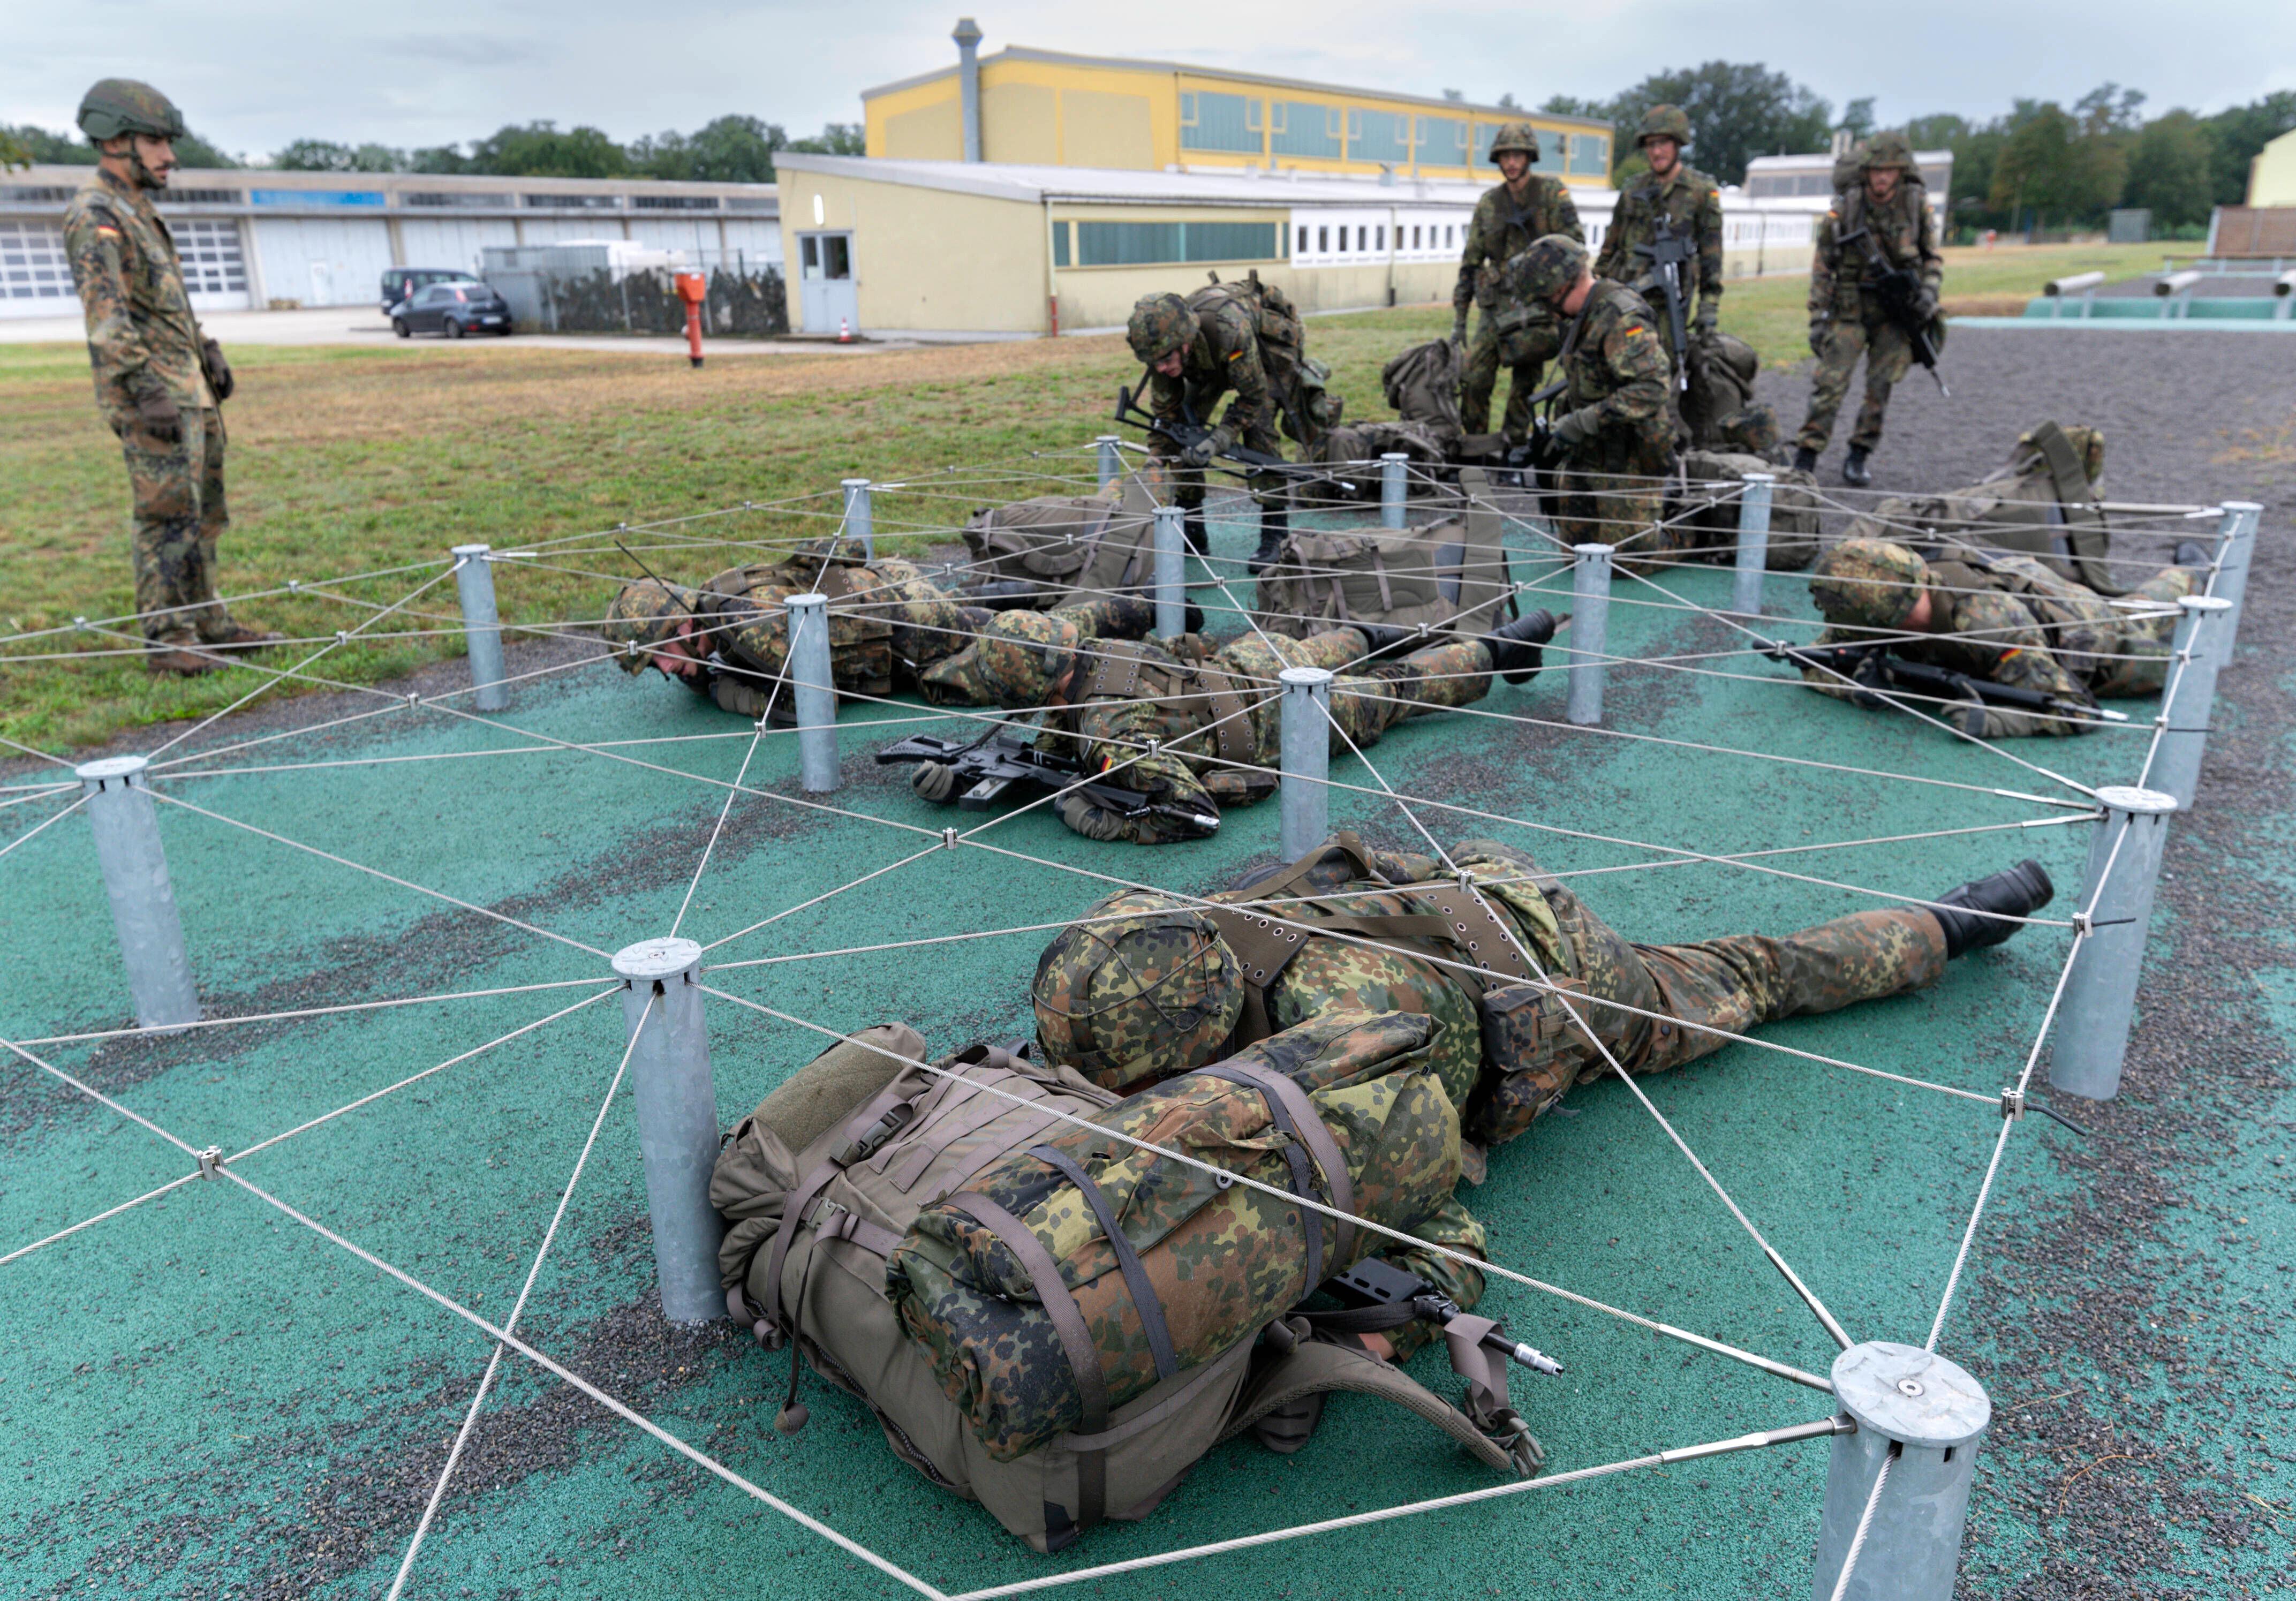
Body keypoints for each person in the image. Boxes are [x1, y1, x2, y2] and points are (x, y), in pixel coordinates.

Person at [1031, 830, 2055, 1160]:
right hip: (1460, 884)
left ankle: (1948, 926)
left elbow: (1426, 1178)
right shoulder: (1186, 942)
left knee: (1747, 976)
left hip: (1559, 972)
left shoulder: (1338, 1045)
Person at [912, 611, 1558, 843]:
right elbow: (1059, 741)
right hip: (1249, 659)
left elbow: (1190, 814)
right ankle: (1392, 630)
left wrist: (1094, 819)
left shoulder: (1109, 726)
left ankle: (1500, 650)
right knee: (1339, 645)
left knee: (1395, 691)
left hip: (1276, 721)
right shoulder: (1102, 653)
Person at [62, 79, 280, 676]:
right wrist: (146, 390)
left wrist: (206, 347)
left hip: (188, 388)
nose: (170, 156)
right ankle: (170, 641)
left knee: (203, 513)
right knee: (165, 518)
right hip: (154, 397)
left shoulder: (139, 209)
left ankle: (210, 622)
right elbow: (107, 318)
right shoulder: (97, 214)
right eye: (156, 141)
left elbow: (161, 303)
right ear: (115, 138)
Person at [601, 549, 1166, 717]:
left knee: (1009, 654)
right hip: (886, 594)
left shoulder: (749, 626)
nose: (667, 670)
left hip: (908, 625)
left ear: (681, 624)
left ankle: (1138, 612)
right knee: (989, 622)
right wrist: (705, 674)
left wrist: (727, 691)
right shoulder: (714, 612)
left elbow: (807, 704)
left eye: (664, 654)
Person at [1798, 537, 2204, 737]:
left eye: (1916, 598)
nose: (1917, 607)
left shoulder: (1987, 622)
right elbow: (1814, 662)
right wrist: (1856, 687)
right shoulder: (1870, 605)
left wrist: (1994, 721)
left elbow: (2077, 710)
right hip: (2017, 587)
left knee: (2156, 632)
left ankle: (2191, 575)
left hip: (2082, 631)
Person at [1506, 234, 1678, 567]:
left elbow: (1653, 387)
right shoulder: (1583, 316)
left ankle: (1691, 529)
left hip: (1629, 457)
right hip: (1589, 452)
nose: (1550, 312)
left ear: (1564, 287)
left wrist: (1582, 421)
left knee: (1626, 562)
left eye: (1547, 302)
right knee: (1577, 557)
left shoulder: (1620, 317)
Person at [1793, 133, 1943, 487]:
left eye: (1889, 170)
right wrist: (1817, 316)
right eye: (1876, 169)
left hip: (1895, 314)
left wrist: (1928, 293)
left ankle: (1859, 453)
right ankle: (1806, 455)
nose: (1882, 177)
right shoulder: (1848, 207)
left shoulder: (1915, 205)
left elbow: (1932, 258)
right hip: (1850, 309)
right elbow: (1823, 266)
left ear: (1900, 172)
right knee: (1830, 383)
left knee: (1880, 387)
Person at [1125, 289, 1293, 574]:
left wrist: (1219, 439)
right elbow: (1166, 416)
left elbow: (1253, 397)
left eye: (1166, 360)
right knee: (1182, 433)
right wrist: (1155, 459)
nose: (1161, 368)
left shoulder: (1232, 331)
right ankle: (1193, 531)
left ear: (1185, 342)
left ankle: (1276, 533)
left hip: (1261, 359)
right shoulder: (1161, 350)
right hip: (1207, 365)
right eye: (1155, 363)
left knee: (1261, 433)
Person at [1453, 123, 1584, 444]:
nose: (1511, 163)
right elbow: (1470, 262)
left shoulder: (1552, 193)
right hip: (1497, 308)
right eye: (1505, 156)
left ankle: (1514, 444)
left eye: (1518, 155)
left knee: (1526, 383)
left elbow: (1575, 247)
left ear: (1529, 157)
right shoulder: (1489, 203)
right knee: (1474, 377)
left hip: (1539, 306)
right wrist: (1459, 320)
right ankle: (1477, 446)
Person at [1593, 105, 1724, 353]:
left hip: (1670, 301)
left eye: (1663, 143)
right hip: (1627, 294)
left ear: (1678, 144)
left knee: (1667, 366)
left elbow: (1712, 255)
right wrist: (1596, 284)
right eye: (1650, 145)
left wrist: (1709, 306)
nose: (1656, 151)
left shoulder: (1700, 190)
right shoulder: (1633, 189)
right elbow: (1612, 244)